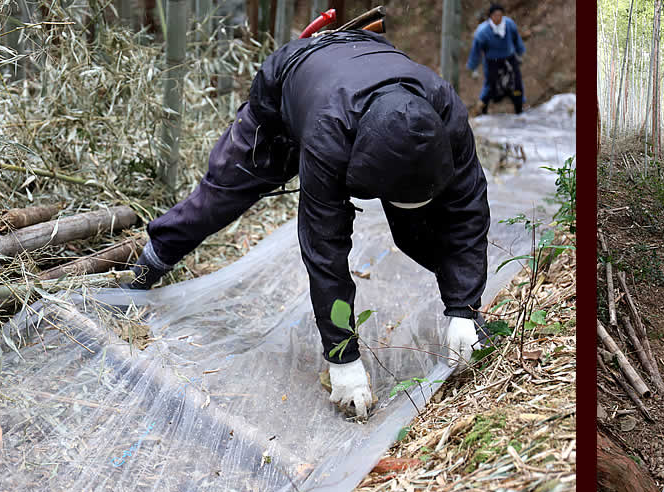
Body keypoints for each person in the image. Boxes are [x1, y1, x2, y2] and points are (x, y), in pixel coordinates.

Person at [122, 30, 491, 419]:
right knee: (222, 195)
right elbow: (325, 248)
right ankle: (152, 261)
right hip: (289, 88)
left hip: (366, 70)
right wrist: (342, 358)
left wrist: (464, 305)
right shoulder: (330, 136)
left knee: (419, 231)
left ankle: (463, 321)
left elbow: (468, 208)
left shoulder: (447, 116)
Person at [466, 3, 526, 115]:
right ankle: (483, 110)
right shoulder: (482, 31)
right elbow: (476, 51)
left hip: (509, 58)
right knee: (490, 85)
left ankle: (520, 108)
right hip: (492, 61)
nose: (498, 18)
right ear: (490, 17)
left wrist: (520, 53)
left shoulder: (509, 24)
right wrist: (473, 67)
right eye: (495, 15)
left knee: (516, 82)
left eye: (500, 15)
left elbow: (516, 39)